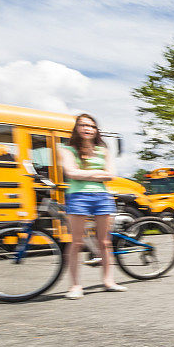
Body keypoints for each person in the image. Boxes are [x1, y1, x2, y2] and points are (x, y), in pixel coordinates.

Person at [58, 113, 126, 299]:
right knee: (76, 242)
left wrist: (85, 173)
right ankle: (75, 286)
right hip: (78, 197)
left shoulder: (103, 150)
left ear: (96, 130)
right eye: (83, 125)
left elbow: (111, 174)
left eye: (92, 126)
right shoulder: (67, 149)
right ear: (76, 128)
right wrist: (98, 173)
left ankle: (108, 281)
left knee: (104, 242)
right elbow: (71, 173)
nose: (87, 129)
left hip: (102, 197)